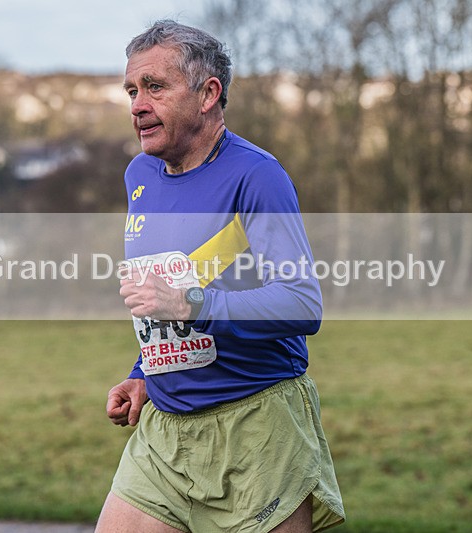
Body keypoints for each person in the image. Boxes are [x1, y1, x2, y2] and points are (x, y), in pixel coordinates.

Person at [95, 20, 346, 533]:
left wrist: (195, 303)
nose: (138, 105)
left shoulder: (257, 176)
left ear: (209, 94)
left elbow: (302, 303)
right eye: (132, 90)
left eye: (155, 87)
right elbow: (164, 292)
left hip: (256, 430)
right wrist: (145, 372)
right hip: (164, 432)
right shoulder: (139, 175)